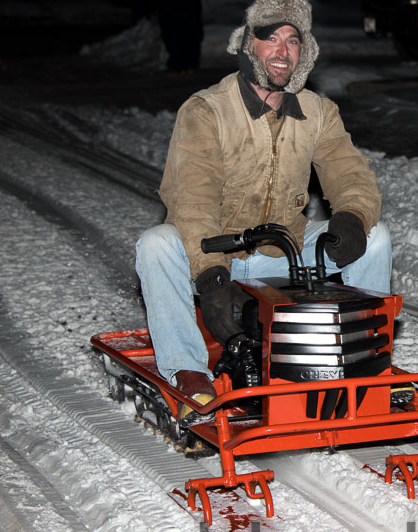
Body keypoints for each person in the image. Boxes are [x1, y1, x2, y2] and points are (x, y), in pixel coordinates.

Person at [135, 0, 390, 410]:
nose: (281, 51)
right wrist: (212, 278)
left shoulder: (317, 112)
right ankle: (188, 369)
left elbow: (350, 173)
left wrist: (352, 216)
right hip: (219, 256)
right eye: (269, 38)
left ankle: (367, 358)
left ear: (304, 52)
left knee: (376, 236)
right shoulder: (206, 111)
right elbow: (192, 199)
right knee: (156, 243)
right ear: (247, 45)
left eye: (292, 41)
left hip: (282, 256)